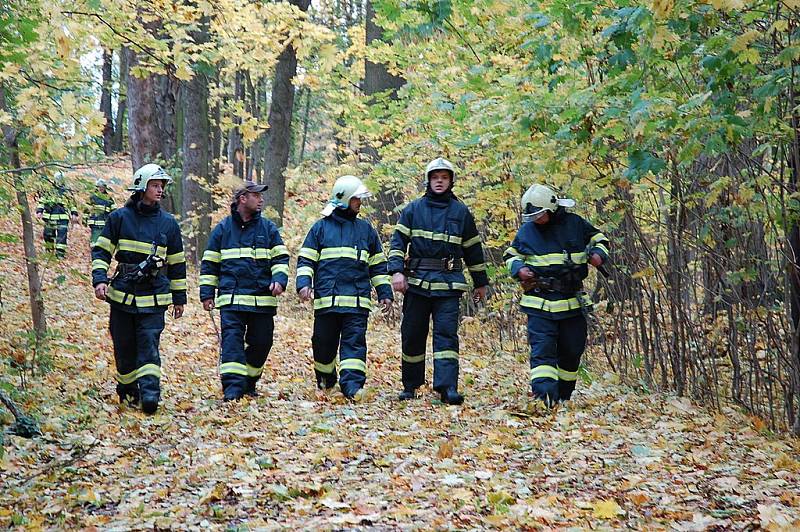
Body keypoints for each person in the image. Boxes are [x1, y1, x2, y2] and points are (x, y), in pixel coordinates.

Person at [388, 157, 488, 405]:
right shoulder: (413, 210)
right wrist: (396, 272)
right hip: (417, 284)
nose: (439, 182)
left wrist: (481, 282)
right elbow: (397, 243)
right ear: (428, 181)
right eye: (435, 177)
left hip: (449, 285)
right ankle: (411, 385)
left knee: (446, 336)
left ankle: (447, 388)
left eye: (444, 178)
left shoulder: (461, 213)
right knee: (412, 334)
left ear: (451, 181)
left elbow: (473, 250)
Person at [91, 164, 187, 415]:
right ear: (141, 187)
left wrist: (180, 298)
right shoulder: (119, 218)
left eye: (162, 186)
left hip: (154, 297)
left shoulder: (169, 225)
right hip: (122, 295)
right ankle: (128, 391)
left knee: (149, 344)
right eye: (155, 185)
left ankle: (150, 396)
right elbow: (101, 251)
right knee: (124, 346)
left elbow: (177, 264)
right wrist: (99, 279)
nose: (160, 190)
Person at [503, 184, 610, 406]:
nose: (537, 219)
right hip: (539, 301)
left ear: (551, 208)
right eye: (532, 216)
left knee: (572, 349)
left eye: (540, 214)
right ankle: (545, 398)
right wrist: (518, 269)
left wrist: (599, 254)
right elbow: (510, 255)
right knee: (542, 351)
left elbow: (599, 238)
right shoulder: (526, 232)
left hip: (571, 301)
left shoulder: (575, 224)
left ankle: (563, 395)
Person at [296, 175, 393, 401]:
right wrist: (303, 285)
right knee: (323, 344)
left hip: (357, 303)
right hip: (326, 302)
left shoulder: (366, 231)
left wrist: (385, 293)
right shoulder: (319, 229)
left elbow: (378, 266)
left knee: (354, 346)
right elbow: (306, 261)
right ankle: (326, 379)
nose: (360, 202)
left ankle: (352, 386)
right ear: (344, 198)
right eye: (356, 198)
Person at [199, 181, 289, 401]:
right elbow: (210, 263)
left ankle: (248, 382)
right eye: (256, 195)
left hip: (262, 302)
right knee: (231, 344)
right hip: (231, 301)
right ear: (242, 198)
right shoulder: (222, 229)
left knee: (262, 343)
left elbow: (280, 258)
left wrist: (279, 279)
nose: (261, 199)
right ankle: (232, 389)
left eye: (261, 196)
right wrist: (207, 293)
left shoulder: (268, 229)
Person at [35, 172, 79, 259]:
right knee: (47, 235)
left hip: (62, 218)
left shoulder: (67, 192)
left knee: (61, 237)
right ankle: (49, 252)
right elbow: (42, 202)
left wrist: (74, 214)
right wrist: (39, 211)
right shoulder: (49, 191)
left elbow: (72, 204)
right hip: (49, 218)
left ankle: (60, 255)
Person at [87, 178, 115, 246]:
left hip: (105, 224)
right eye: (99, 187)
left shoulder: (109, 198)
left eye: (102, 187)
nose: (101, 189)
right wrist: (85, 219)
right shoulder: (92, 197)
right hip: (94, 224)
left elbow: (114, 211)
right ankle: (93, 254)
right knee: (94, 242)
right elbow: (87, 209)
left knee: (103, 243)